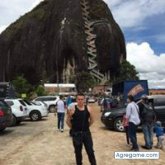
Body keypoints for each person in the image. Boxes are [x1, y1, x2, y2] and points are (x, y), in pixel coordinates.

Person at [66, 93, 96, 165]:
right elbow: (67, 121)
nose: (80, 101)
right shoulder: (72, 109)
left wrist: (87, 126)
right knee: (78, 153)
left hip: (86, 134)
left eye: (82, 99)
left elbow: (92, 120)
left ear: (84, 100)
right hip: (76, 135)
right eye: (78, 99)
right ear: (76, 100)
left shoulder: (88, 108)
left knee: (90, 151)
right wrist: (73, 128)